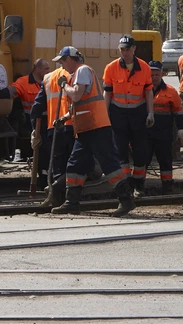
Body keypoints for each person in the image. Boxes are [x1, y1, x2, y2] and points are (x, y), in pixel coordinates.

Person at [51, 46, 135, 217]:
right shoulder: (77, 75)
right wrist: (64, 118)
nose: (62, 66)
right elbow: (78, 105)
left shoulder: (82, 71)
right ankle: (72, 202)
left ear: (69, 59)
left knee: (109, 164)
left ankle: (126, 200)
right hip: (85, 128)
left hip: (96, 127)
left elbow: (76, 95)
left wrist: (64, 85)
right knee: (75, 165)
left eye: (62, 62)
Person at [103, 35, 155, 197]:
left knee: (140, 150)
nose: (125, 53)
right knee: (120, 150)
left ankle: (139, 184)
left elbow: (148, 91)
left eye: (127, 49)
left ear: (134, 49)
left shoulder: (145, 68)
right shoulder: (111, 68)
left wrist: (150, 112)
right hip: (118, 113)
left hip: (138, 113)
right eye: (122, 50)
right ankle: (125, 186)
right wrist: (105, 116)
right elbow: (107, 93)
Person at [0, 59, 51, 188]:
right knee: (42, 150)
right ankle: (43, 180)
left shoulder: (49, 80)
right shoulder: (24, 82)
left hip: (49, 121)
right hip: (34, 122)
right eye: (46, 69)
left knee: (48, 151)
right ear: (37, 69)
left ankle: (47, 178)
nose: (49, 71)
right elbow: (11, 91)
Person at [33, 54, 74, 210]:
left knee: (58, 164)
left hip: (54, 128)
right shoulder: (76, 74)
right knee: (74, 164)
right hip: (73, 126)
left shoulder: (48, 78)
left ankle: (57, 197)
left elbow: (37, 107)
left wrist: (34, 130)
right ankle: (66, 196)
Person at [148, 61, 183, 193]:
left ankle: (167, 185)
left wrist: (181, 129)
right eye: (151, 74)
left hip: (164, 133)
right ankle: (138, 186)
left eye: (156, 74)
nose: (154, 77)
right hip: (145, 133)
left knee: (165, 159)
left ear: (162, 74)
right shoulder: (141, 90)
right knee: (142, 159)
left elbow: (179, 111)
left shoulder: (171, 91)